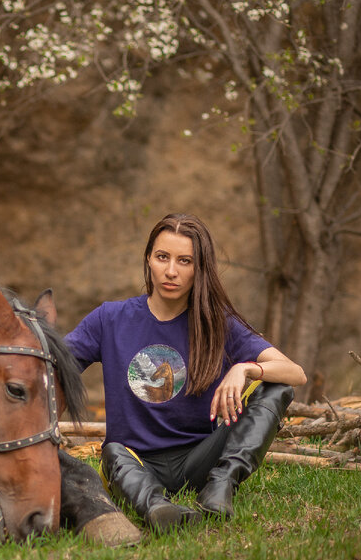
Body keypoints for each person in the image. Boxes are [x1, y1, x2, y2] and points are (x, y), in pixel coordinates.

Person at [64, 213, 307, 532]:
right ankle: (158, 508)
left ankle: (221, 484)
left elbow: (295, 373)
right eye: (162, 257)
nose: (171, 271)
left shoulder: (218, 323)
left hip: (201, 458)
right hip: (136, 463)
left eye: (185, 261)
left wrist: (246, 368)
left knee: (275, 387)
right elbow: (54, 365)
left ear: (199, 268)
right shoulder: (110, 319)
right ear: (148, 259)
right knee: (113, 452)